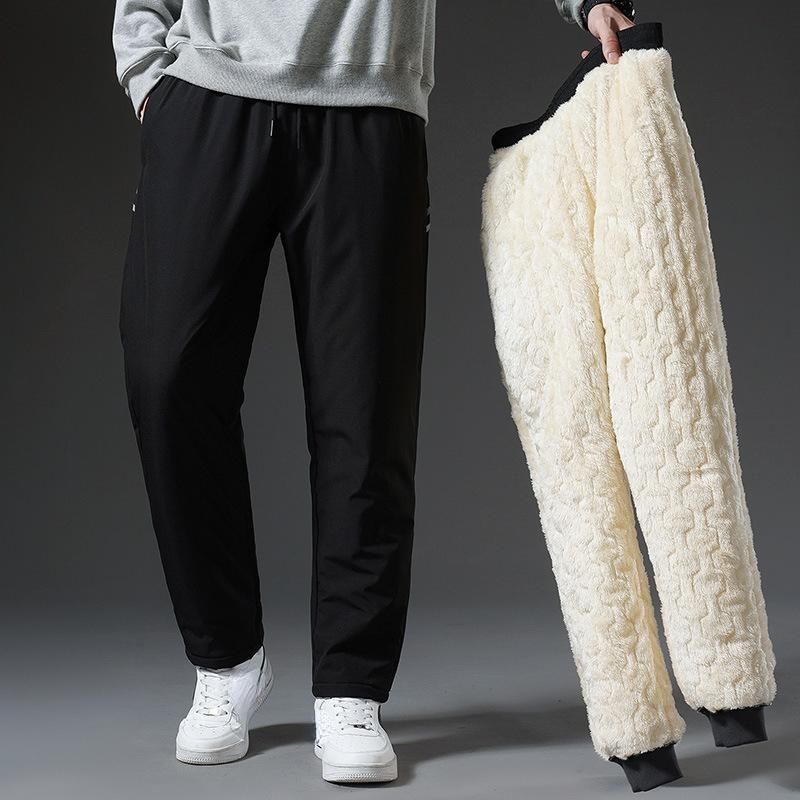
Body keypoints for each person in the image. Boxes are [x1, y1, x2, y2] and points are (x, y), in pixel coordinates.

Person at [112, 0, 636, 783]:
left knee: (365, 409)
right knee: (168, 378)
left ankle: (350, 687)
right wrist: (147, 73)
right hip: (207, 97)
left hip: (368, 103)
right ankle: (226, 660)